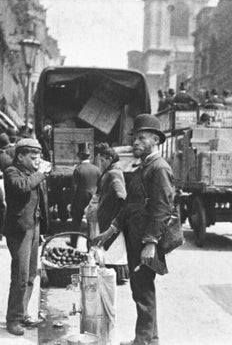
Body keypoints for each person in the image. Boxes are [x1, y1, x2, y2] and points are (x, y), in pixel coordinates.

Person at [93, 114, 174, 345]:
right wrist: (111, 230)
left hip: (146, 240)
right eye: (135, 138)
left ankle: (143, 341)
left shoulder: (158, 168)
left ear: (156, 140)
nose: (135, 142)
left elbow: (162, 208)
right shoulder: (143, 167)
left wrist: (150, 243)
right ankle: (150, 339)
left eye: (141, 138)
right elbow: (130, 206)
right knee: (143, 290)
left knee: (143, 291)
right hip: (137, 237)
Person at [3, 138, 51, 336]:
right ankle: (13, 319)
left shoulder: (33, 173)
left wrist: (43, 228)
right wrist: (40, 173)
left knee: (31, 275)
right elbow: (22, 187)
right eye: (33, 157)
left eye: (38, 156)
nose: (37, 160)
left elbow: (42, 200)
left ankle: (22, 313)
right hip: (20, 229)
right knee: (20, 276)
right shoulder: (11, 172)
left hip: (34, 227)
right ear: (20, 156)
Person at [96, 145, 129, 285]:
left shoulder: (113, 173)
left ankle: (116, 274)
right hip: (111, 216)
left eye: (103, 161)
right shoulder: (113, 171)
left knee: (114, 247)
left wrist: (116, 215)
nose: (101, 164)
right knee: (113, 247)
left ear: (110, 159)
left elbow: (121, 196)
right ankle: (114, 273)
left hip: (113, 217)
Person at [70, 143, 101, 235]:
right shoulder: (97, 169)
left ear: (79, 156)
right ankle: (90, 244)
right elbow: (100, 185)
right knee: (91, 223)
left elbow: (75, 187)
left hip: (80, 199)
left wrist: (71, 202)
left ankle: (73, 242)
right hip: (93, 198)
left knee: (76, 220)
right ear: (90, 156)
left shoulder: (78, 169)